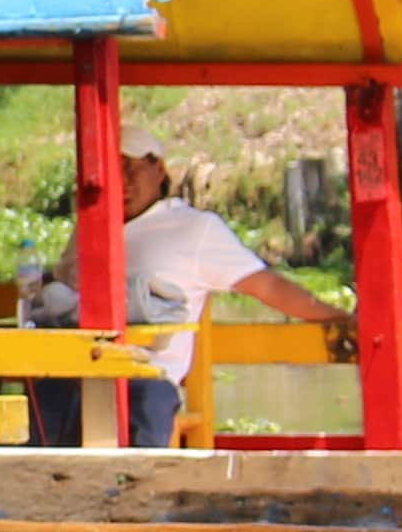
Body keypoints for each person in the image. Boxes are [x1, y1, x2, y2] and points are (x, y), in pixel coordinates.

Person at [22, 149, 350, 447]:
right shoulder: (90, 228)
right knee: (42, 400)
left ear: (159, 169)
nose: (122, 182)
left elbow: (267, 286)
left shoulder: (195, 229)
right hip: (75, 374)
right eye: (110, 170)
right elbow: (57, 289)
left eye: (131, 169)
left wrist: (336, 317)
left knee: (146, 411)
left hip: (148, 378)